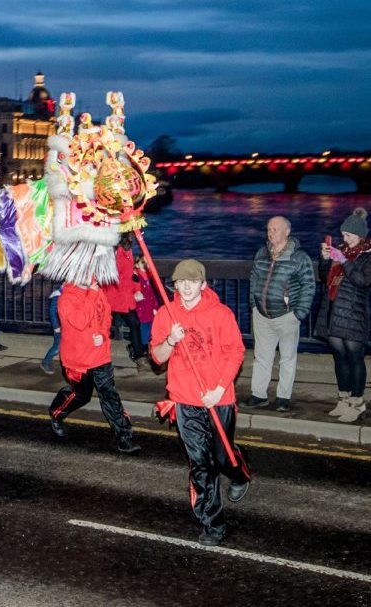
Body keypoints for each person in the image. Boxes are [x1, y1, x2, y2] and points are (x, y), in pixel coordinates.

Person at [150, 259, 250, 546]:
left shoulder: (221, 314)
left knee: (223, 456)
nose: (186, 287)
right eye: (181, 282)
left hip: (218, 398)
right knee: (201, 464)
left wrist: (220, 389)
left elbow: (235, 353)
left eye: (192, 281)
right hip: (185, 399)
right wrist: (170, 340)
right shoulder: (167, 314)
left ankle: (240, 473)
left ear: (203, 284)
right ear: (175, 285)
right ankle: (212, 522)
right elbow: (157, 357)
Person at [47, 282, 140, 453]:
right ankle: (56, 412)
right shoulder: (66, 297)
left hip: (100, 356)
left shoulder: (98, 292)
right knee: (81, 395)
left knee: (110, 396)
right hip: (77, 361)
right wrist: (91, 293)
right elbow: (80, 321)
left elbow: (106, 316)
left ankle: (124, 437)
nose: (94, 276)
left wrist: (103, 335)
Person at [247, 216, 315, 411]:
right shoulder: (262, 253)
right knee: (261, 357)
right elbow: (254, 277)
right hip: (261, 315)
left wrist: (298, 313)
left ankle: (283, 398)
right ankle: (258, 395)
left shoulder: (299, 257)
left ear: (287, 232)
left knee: (287, 358)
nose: (271, 232)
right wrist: (253, 304)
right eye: (269, 229)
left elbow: (308, 285)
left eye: (276, 229)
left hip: (287, 316)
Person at [315, 208, 371, 423]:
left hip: (355, 312)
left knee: (355, 357)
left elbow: (362, 281)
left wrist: (345, 261)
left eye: (349, 235)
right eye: (344, 235)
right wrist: (325, 259)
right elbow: (323, 277)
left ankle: (357, 403)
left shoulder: (368, 255)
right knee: (339, 357)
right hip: (333, 309)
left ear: (360, 236)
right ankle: (343, 399)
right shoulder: (340, 250)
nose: (345, 239)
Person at [106, 240, 149, 369]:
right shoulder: (112, 252)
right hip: (111, 296)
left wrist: (136, 288)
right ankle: (99, 357)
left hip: (123, 297)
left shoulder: (126, 252)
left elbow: (129, 274)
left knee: (134, 323)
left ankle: (138, 353)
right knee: (104, 327)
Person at [40, 284, 63, 374]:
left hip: (66, 325)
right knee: (57, 346)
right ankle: (45, 362)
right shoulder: (58, 294)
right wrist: (56, 326)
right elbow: (53, 311)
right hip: (60, 326)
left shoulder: (68, 292)